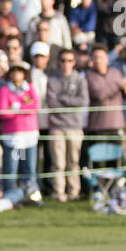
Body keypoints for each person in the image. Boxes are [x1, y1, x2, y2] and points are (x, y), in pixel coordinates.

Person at [45, 49, 89, 202]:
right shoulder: (53, 80)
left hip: (75, 127)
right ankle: (59, 192)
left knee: (74, 162)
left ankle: (74, 192)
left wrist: (63, 99)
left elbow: (82, 101)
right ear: (58, 62)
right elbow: (52, 103)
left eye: (70, 60)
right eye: (63, 60)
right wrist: (69, 102)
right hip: (57, 127)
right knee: (58, 163)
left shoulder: (80, 79)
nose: (66, 64)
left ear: (74, 62)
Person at [0, 60, 41, 199]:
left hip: (29, 136)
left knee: (29, 168)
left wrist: (15, 107)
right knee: (12, 169)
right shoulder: (5, 90)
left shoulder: (30, 88)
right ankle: (11, 197)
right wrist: (24, 106)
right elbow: (3, 112)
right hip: (13, 138)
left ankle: (31, 196)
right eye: (14, 71)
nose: (17, 74)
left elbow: (36, 106)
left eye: (20, 71)